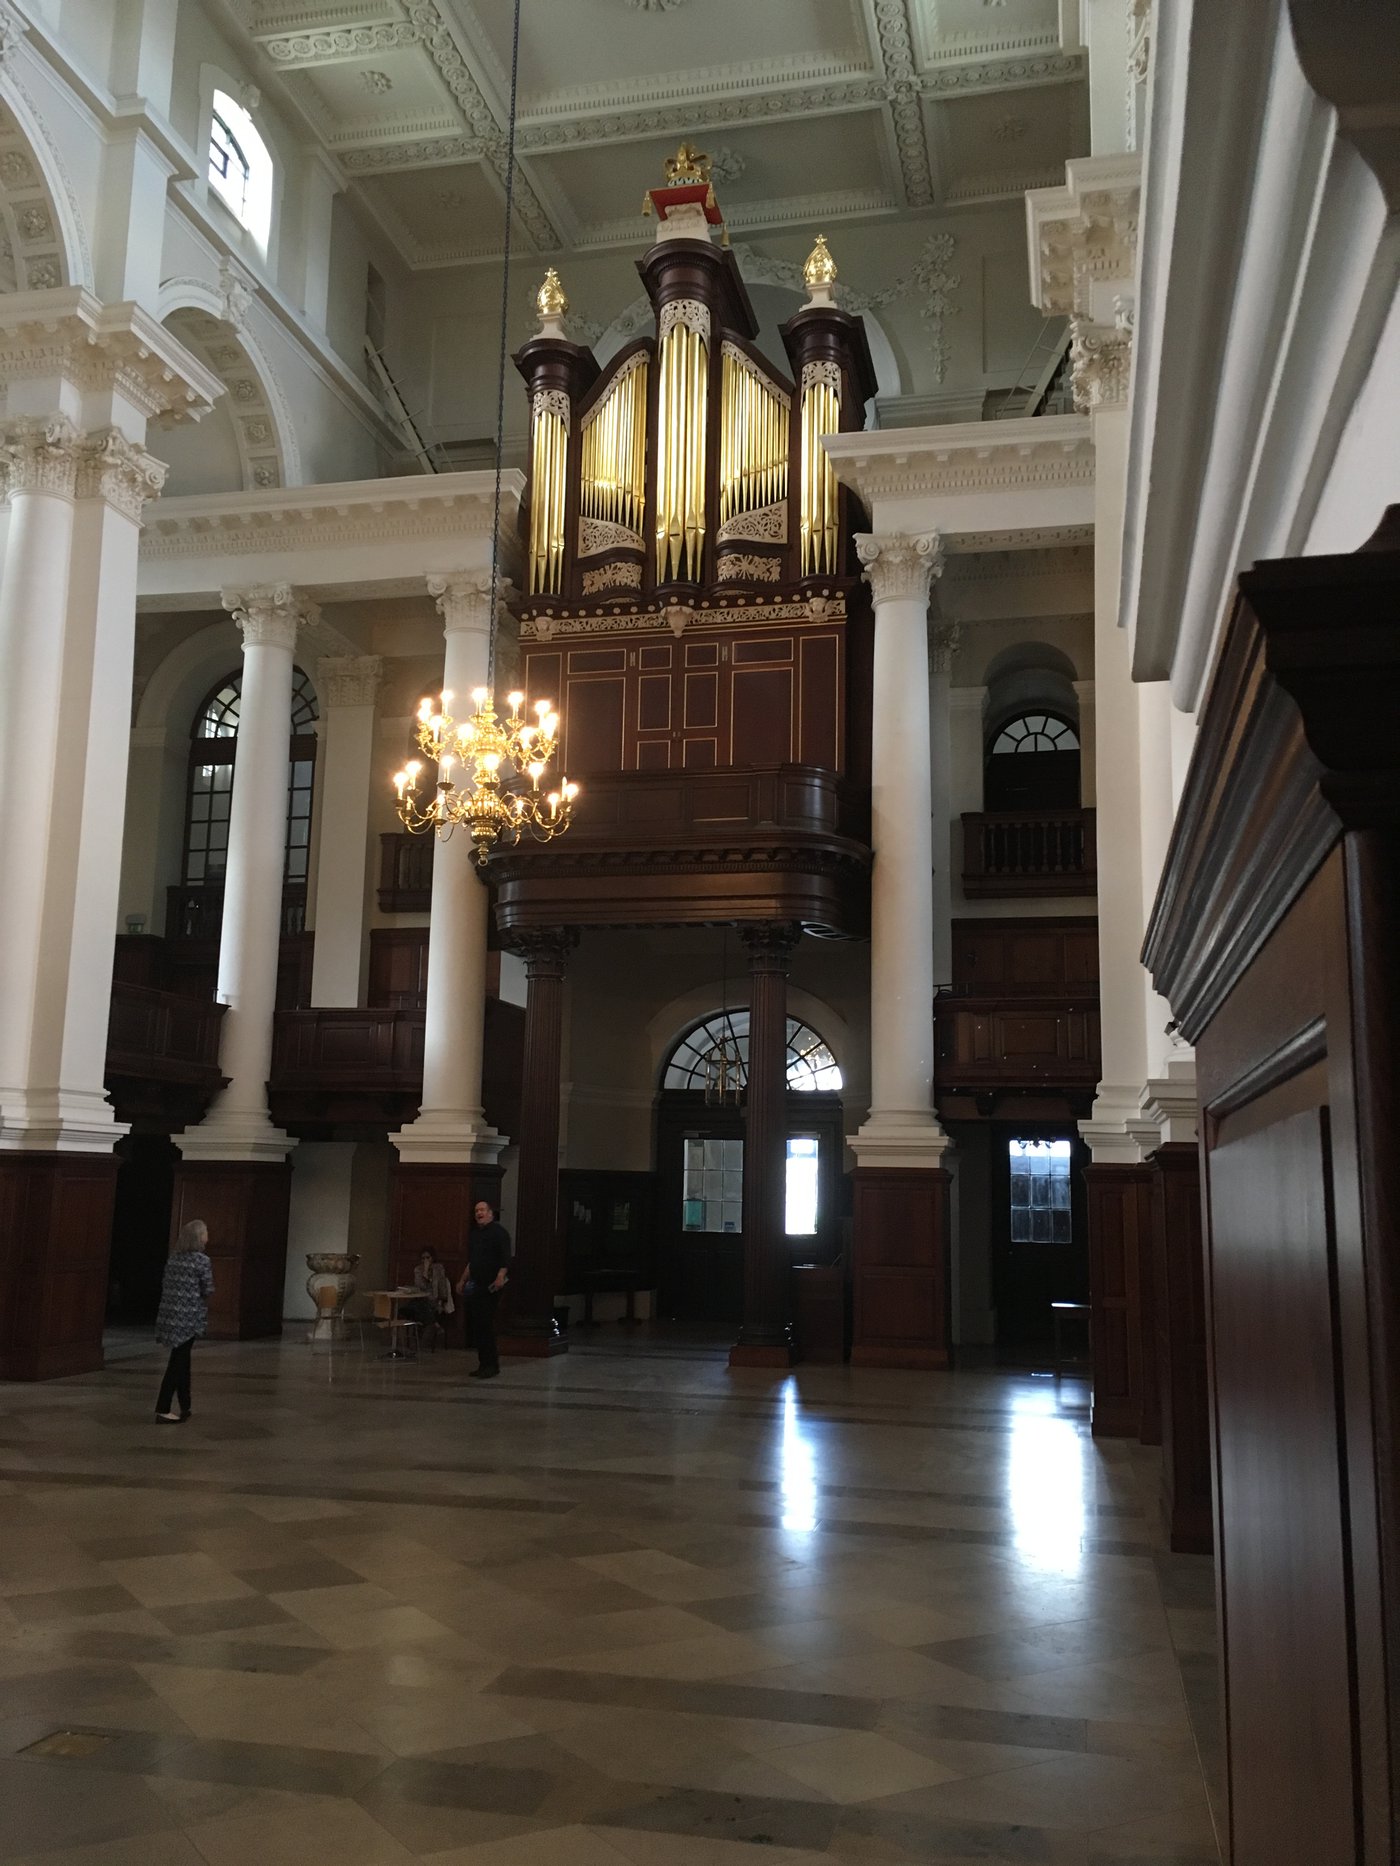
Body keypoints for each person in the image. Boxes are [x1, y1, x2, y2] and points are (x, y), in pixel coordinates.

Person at [154, 1219, 214, 1422]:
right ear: (199, 1237)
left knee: (182, 1360)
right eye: (205, 1233)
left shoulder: (173, 1259)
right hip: (188, 1318)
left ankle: (185, 1404)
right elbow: (208, 1289)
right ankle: (163, 1408)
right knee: (177, 1363)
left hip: (170, 1316)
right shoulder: (201, 1261)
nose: (208, 1236)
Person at [455, 1199, 510, 1379]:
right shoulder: (474, 1235)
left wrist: (500, 1276)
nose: (479, 1213)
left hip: (491, 1285)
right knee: (478, 1325)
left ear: (490, 1213)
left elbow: (505, 1258)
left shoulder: (499, 1233)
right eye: (476, 1211)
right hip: (476, 1285)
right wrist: (462, 1280)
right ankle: (483, 1363)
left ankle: (491, 1364)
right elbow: (473, 1262)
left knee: (486, 1324)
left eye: (482, 1210)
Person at [407, 1249, 454, 1337]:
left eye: (428, 1257)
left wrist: (441, 1303)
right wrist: (425, 1272)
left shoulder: (439, 1268)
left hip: (434, 1299)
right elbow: (420, 1286)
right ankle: (435, 1324)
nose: (425, 1260)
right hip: (422, 1298)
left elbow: (442, 1287)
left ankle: (424, 1327)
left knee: (420, 1307)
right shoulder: (418, 1269)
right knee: (415, 1305)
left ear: (432, 1258)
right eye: (423, 1258)